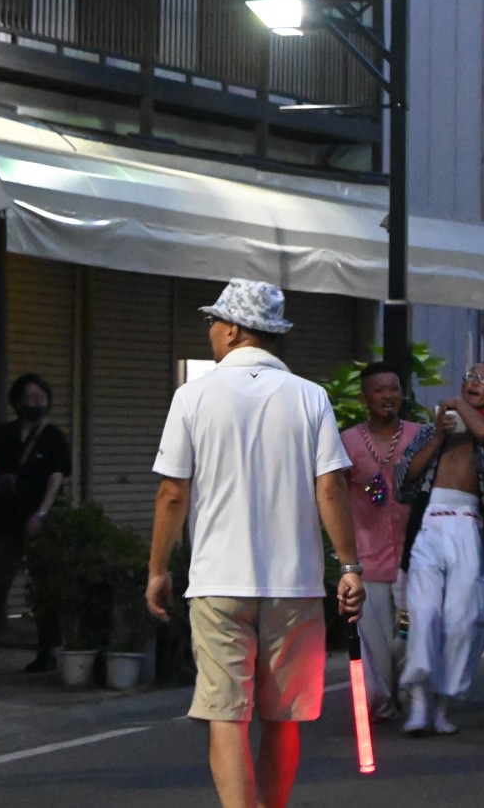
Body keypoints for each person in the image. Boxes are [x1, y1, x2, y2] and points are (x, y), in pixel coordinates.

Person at [147, 280, 363, 808]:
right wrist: (350, 566)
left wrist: (157, 568)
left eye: (214, 321)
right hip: (294, 584)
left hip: (219, 583)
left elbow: (173, 492)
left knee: (226, 714)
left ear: (235, 329)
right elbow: (331, 485)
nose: (211, 330)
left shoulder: (192, 396)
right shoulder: (309, 397)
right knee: (282, 718)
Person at [394, 363, 484, 734]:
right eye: (470, 376)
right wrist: (438, 435)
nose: (475, 383)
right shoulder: (431, 431)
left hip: (469, 525)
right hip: (430, 522)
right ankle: (420, 702)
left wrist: (457, 403)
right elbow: (403, 480)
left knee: (461, 618)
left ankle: (443, 701)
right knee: (423, 612)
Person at [342, 362, 424, 725]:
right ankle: (381, 704)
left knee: (409, 633)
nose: (389, 396)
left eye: (394, 388)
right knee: (372, 641)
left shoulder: (422, 435)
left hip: (414, 557)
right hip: (367, 557)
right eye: (380, 390)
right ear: (364, 398)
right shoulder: (345, 442)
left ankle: (411, 695)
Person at [0, 373, 71, 674]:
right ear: (16, 402)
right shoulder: (3, 435)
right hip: (4, 519)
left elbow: (57, 477)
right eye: (28, 397)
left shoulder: (54, 437)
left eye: (40, 397)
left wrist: (41, 513)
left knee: (44, 585)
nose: (35, 403)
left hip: (41, 521)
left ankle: (49, 649)